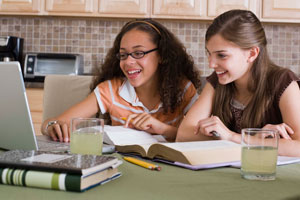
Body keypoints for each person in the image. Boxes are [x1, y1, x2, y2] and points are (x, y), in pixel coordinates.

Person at [42, 19, 201, 143]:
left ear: (161, 55)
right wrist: (52, 126)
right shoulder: (110, 90)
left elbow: (202, 137)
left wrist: (163, 129)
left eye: (138, 53)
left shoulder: (183, 89)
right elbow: (53, 122)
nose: (128, 62)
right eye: (124, 55)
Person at [176, 9, 300, 157]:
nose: (211, 64)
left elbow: (298, 147)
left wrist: (231, 137)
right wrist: (254, 140)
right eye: (209, 54)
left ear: (252, 53)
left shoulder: (283, 82)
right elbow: (184, 134)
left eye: (222, 55)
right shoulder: (217, 81)